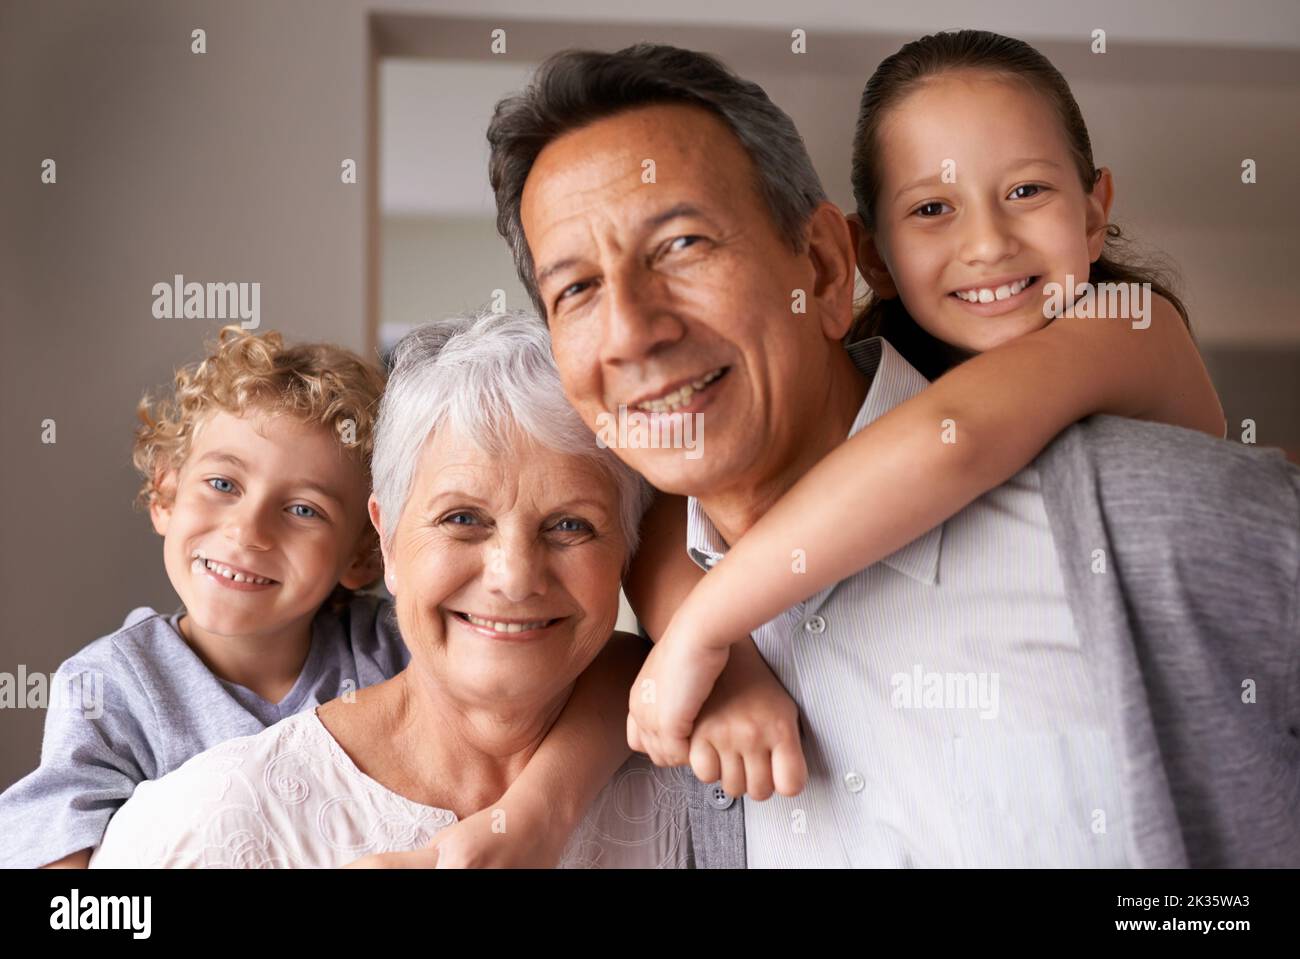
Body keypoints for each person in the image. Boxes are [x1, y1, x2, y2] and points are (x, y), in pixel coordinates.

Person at [487, 37, 1300, 866]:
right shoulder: (667, 667)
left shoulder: (1141, 464)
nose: (630, 330)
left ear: (829, 266)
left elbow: (960, 441)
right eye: (577, 288)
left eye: (684, 245)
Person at [0, 324, 645, 869]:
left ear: (368, 552)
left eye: (304, 509)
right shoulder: (112, 684)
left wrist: (533, 815)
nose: (248, 532)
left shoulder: (387, 640)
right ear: (165, 493)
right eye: (222, 483)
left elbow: (623, 668)